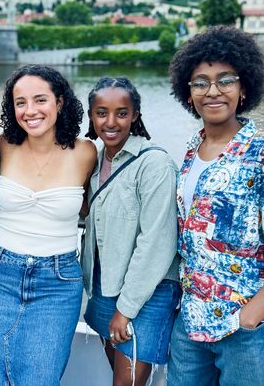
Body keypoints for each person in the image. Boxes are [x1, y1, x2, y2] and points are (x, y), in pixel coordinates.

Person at [0, 65, 96, 386]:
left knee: (41, 379)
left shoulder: (86, 152)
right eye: (20, 102)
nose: (30, 111)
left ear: (59, 102)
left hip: (57, 283)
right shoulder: (2, 146)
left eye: (40, 100)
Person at [167, 25, 264, 385]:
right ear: (188, 93)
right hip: (190, 319)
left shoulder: (259, 153)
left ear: (243, 89)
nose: (213, 91)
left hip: (243, 327)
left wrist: (253, 313)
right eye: (200, 82)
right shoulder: (192, 150)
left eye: (225, 80)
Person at [81, 76, 181, 386]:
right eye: (101, 112)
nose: (111, 122)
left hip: (146, 294)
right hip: (105, 288)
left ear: (135, 115)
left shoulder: (154, 164)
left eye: (121, 113)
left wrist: (125, 310)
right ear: (91, 115)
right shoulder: (93, 162)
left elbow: (156, 242)